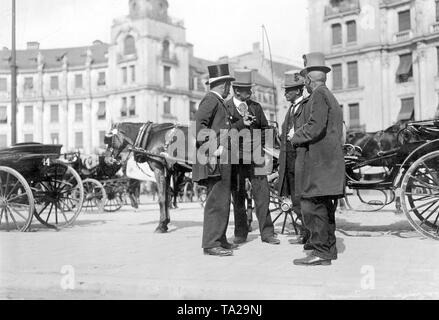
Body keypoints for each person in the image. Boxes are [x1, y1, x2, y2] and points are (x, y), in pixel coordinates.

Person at [290, 53, 345, 266]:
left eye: (305, 79)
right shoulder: (329, 95)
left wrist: (295, 137)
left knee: (312, 206)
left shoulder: (318, 96)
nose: (304, 84)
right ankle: (327, 251)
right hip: (328, 163)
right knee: (324, 207)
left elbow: (315, 126)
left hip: (319, 163)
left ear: (309, 80)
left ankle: (321, 252)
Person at [192, 64, 252, 257]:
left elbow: (224, 127)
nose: (229, 88)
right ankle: (210, 244)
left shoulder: (217, 102)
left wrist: (242, 123)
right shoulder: (210, 100)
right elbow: (198, 128)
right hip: (215, 159)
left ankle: (220, 239)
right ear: (223, 84)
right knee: (216, 201)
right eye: (228, 84)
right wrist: (213, 148)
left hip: (223, 158)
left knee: (224, 200)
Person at [225, 69, 280, 246]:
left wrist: (260, 142)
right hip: (235, 158)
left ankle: (267, 233)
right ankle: (240, 233)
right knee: (238, 197)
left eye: (250, 89)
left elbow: (265, 128)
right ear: (236, 89)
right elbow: (223, 133)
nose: (250, 92)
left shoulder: (256, 107)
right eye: (246, 89)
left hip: (257, 157)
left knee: (262, 196)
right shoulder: (225, 107)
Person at [277, 72, 310, 245]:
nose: (285, 94)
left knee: (302, 198)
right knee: (295, 198)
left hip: (301, 159)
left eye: (288, 90)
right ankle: (305, 233)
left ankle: (310, 234)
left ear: (298, 90)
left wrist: (295, 133)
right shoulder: (291, 109)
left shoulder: (306, 106)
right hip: (289, 159)